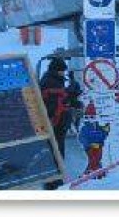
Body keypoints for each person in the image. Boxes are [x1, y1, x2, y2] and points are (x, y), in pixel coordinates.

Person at [39, 57, 78, 189]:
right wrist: (72, 88)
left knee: (56, 150)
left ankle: (55, 179)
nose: (63, 73)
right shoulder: (50, 82)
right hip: (54, 122)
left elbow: (63, 99)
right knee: (55, 151)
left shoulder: (52, 80)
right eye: (62, 71)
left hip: (57, 122)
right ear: (57, 70)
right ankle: (53, 182)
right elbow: (60, 98)